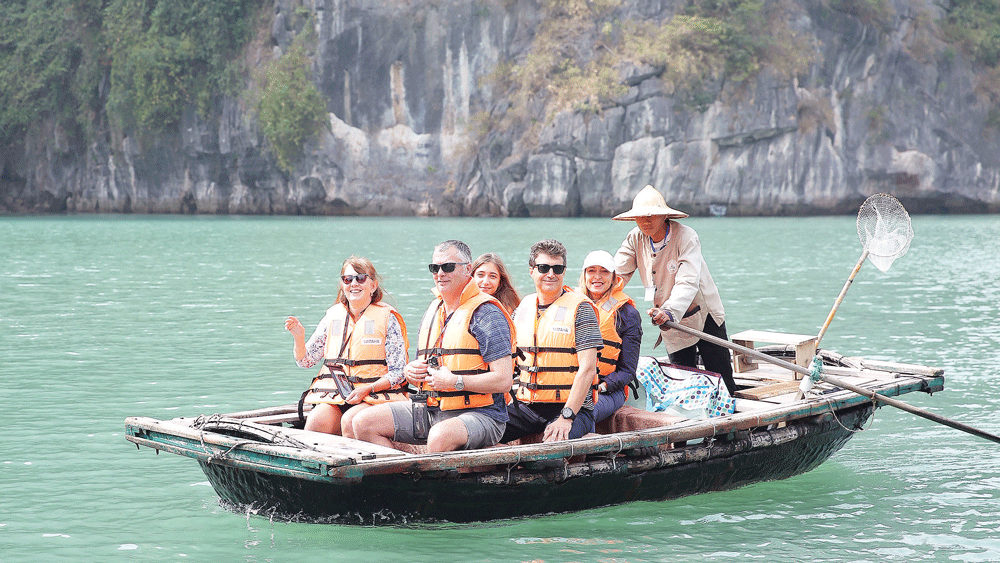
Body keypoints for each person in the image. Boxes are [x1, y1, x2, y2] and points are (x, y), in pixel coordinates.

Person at [352, 240, 515, 452]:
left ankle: (426, 476)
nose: (440, 273)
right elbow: (427, 362)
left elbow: (503, 380)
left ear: (467, 269)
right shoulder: (434, 310)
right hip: (431, 409)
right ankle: (407, 476)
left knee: (440, 435)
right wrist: (411, 372)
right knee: (362, 422)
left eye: (447, 267)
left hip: (483, 414)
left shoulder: (487, 313)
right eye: (434, 267)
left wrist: (455, 382)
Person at [613, 185, 736, 394]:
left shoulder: (686, 236)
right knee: (684, 380)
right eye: (640, 217)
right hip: (668, 318)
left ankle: (732, 417)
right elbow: (617, 274)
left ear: (664, 216)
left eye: (651, 216)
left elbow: (688, 281)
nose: (645, 221)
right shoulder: (635, 238)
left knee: (721, 377)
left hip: (702, 311)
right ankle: (695, 419)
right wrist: (594, 297)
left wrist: (669, 310)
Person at [285, 257, 409, 437]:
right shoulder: (332, 316)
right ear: (343, 285)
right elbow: (305, 361)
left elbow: (398, 372)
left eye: (360, 278)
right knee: (316, 421)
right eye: (348, 279)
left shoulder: (388, 318)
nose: (354, 284)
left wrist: (367, 389)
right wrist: (298, 337)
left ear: (373, 285)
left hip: (374, 395)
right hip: (337, 396)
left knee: (350, 420)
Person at [502, 239, 603, 443]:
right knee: (483, 433)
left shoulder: (581, 309)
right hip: (526, 406)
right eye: (543, 268)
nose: (551, 274)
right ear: (532, 271)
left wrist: (566, 417)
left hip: (572, 409)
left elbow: (588, 369)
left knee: (549, 452)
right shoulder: (523, 308)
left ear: (564, 272)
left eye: (557, 268)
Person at [576, 250, 642, 425]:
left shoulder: (628, 314)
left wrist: (601, 387)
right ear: (584, 275)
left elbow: (627, 371)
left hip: (608, 389)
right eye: (591, 271)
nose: (597, 277)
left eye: (604, 271)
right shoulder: (571, 304)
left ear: (614, 277)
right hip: (570, 384)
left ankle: (587, 451)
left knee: (582, 411)